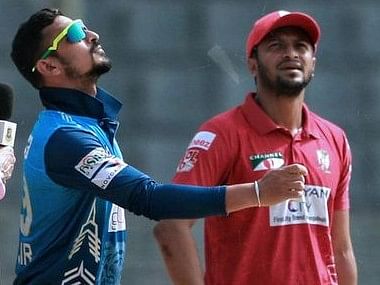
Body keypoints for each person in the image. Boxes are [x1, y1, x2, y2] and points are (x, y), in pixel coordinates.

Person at [10, 8, 308, 285]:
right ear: (49, 65)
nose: (91, 35)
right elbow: (149, 198)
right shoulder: (67, 137)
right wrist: (257, 193)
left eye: (84, 27)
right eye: (74, 34)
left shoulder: (82, 125)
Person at [154, 10, 357, 285]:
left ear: (314, 63)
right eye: (276, 46)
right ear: (252, 64)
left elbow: (341, 248)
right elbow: (171, 225)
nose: (291, 54)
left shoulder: (334, 139)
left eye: (301, 46)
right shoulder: (221, 133)